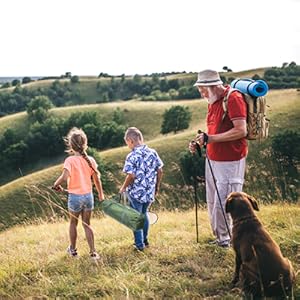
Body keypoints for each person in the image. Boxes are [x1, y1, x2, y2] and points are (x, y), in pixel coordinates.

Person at [189, 69, 248, 248]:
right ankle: (220, 237)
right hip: (213, 158)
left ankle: (228, 240)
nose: (201, 94)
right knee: (214, 200)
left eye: (203, 90)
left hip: (230, 160)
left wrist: (211, 139)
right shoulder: (213, 101)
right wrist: (200, 142)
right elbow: (214, 130)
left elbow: (241, 130)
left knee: (226, 201)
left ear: (213, 86)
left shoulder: (233, 98)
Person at [53, 127, 104, 259]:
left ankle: (73, 251)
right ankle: (93, 253)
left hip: (75, 197)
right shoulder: (90, 160)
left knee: (73, 224)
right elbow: (97, 179)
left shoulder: (69, 161)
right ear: (85, 144)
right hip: (88, 196)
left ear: (70, 145)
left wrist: (56, 184)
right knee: (87, 224)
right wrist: (100, 194)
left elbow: (64, 177)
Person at [119, 127, 163, 251]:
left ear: (130, 140)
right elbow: (160, 170)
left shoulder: (131, 156)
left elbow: (131, 175)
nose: (127, 145)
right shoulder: (153, 152)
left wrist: (123, 188)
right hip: (149, 191)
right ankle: (145, 241)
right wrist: (157, 186)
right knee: (144, 215)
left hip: (136, 193)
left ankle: (139, 245)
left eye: (127, 143)